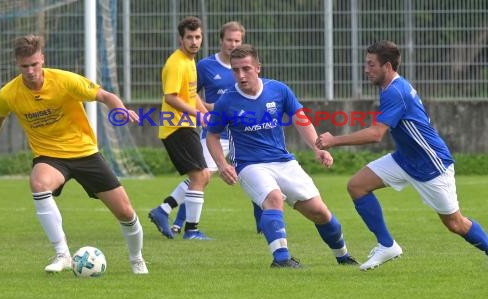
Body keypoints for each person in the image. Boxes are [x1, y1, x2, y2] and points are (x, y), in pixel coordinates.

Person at [315, 40, 488, 273]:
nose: (366, 69)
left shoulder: (396, 91)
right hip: (404, 159)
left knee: (455, 223)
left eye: (370, 64)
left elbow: (376, 134)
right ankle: (387, 245)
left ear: (387, 66)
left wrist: (334, 140)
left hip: (431, 165)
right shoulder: (389, 89)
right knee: (357, 186)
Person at [0, 34, 148, 274]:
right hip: (50, 157)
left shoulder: (65, 81)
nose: (31, 71)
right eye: (25, 66)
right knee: (38, 183)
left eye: (35, 64)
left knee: (126, 213)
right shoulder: (9, 94)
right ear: (17, 64)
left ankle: (136, 259)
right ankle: (62, 253)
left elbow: (104, 96)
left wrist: (121, 109)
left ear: (42, 59)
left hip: (85, 152)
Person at [206, 44, 358, 268]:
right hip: (250, 166)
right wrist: (222, 164)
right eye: (235, 70)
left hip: (284, 161)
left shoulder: (278, 90)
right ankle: (281, 259)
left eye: (246, 68)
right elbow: (212, 136)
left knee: (320, 212)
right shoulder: (226, 101)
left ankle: (343, 255)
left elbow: (300, 118)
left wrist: (317, 148)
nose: (240, 75)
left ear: (258, 67)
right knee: (274, 199)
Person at [170, 21, 263, 235]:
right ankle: (174, 216)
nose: (233, 44)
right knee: (202, 177)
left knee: (257, 171)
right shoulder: (204, 66)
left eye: (237, 40)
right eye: (229, 40)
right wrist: (210, 110)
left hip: (243, 133)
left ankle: (263, 226)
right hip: (216, 134)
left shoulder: (246, 66)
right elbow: (190, 94)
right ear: (221, 41)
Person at [147, 16, 212, 240]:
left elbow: (191, 95)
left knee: (202, 176)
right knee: (201, 175)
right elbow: (172, 98)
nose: (194, 41)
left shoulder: (190, 61)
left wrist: (206, 112)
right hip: (176, 127)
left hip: (184, 126)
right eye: (189, 37)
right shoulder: (176, 63)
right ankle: (191, 231)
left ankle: (163, 211)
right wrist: (198, 115)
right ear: (180, 38)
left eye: (197, 37)